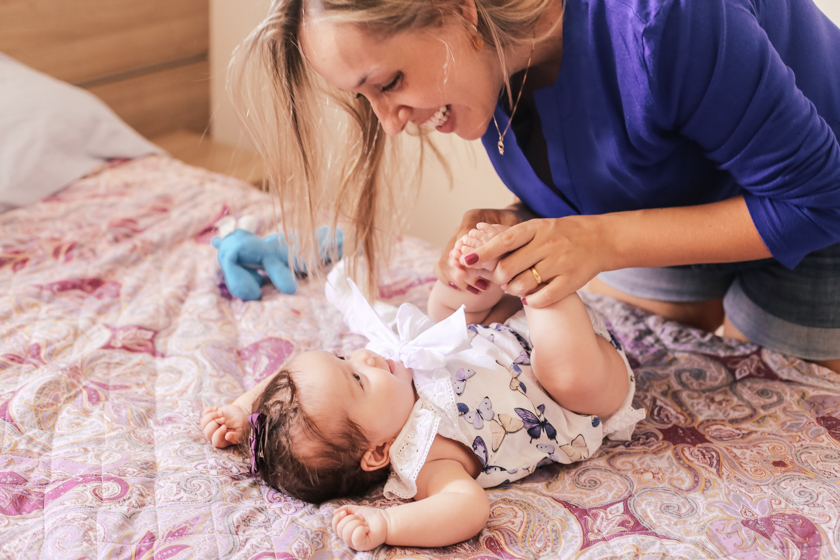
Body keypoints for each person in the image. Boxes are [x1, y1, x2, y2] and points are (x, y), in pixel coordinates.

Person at [228, 0, 840, 374]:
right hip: (673, 199)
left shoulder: (665, 18)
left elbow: (817, 198)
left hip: (821, 204)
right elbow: (599, 151)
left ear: (459, 8)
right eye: (365, 99)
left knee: (779, 398)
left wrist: (596, 240)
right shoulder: (490, 61)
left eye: (388, 82)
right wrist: (516, 220)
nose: (391, 123)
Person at [200, 224, 645, 551]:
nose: (363, 357)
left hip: (516, 333)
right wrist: (389, 525)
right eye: (356, 378)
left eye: (343, 358)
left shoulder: (396, 370)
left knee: (444, 306)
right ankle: (540, 284)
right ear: (378, 451)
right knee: (566, 375)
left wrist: (246, 410)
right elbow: (468, 508)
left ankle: (484, 271)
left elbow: (293, 381)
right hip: (583, 393)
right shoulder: (426, 458)